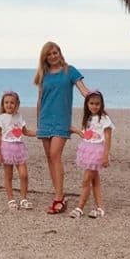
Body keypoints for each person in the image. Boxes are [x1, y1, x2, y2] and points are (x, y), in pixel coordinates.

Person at [33, 41, 92, 214]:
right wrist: (38, 123)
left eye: (55, 52)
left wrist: (95, 100)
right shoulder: (43, 74)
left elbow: (84, 90)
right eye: (49, 54)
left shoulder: (70, 71)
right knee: (50, 159)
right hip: (45, 120)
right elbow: (40, 99)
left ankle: (59, 198)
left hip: (61, 120)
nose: (53, 56)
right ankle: (59, 194)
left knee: (55, 155)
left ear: (60, 53)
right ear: (45, 57)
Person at [68, 90, 113, 219]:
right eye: (92, 103)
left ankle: (79, 208)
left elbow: (108, 137)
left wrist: (105, 155)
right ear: (87, 104)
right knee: (95, 181)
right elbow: (87, 135)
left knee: (86, 180)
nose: (94, 106)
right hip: (87, 150)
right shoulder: (88, 118)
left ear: (102, 104)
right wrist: (75, 130)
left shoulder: (104, 119)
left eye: (97, 104)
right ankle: (100, 208)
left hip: (97, 152)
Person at [0, 90, 36, 210]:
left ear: (17, 104)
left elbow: (25, 132)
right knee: (8, 175)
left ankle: (23, 199)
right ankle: (11, 199)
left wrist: (39, 133)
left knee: (24, 174)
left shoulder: (19, 117)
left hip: (19, 148)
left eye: (12, 102)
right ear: (3, 104)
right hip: (6, 148)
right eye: (6, 102)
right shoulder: (0, 118)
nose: (9, 105)